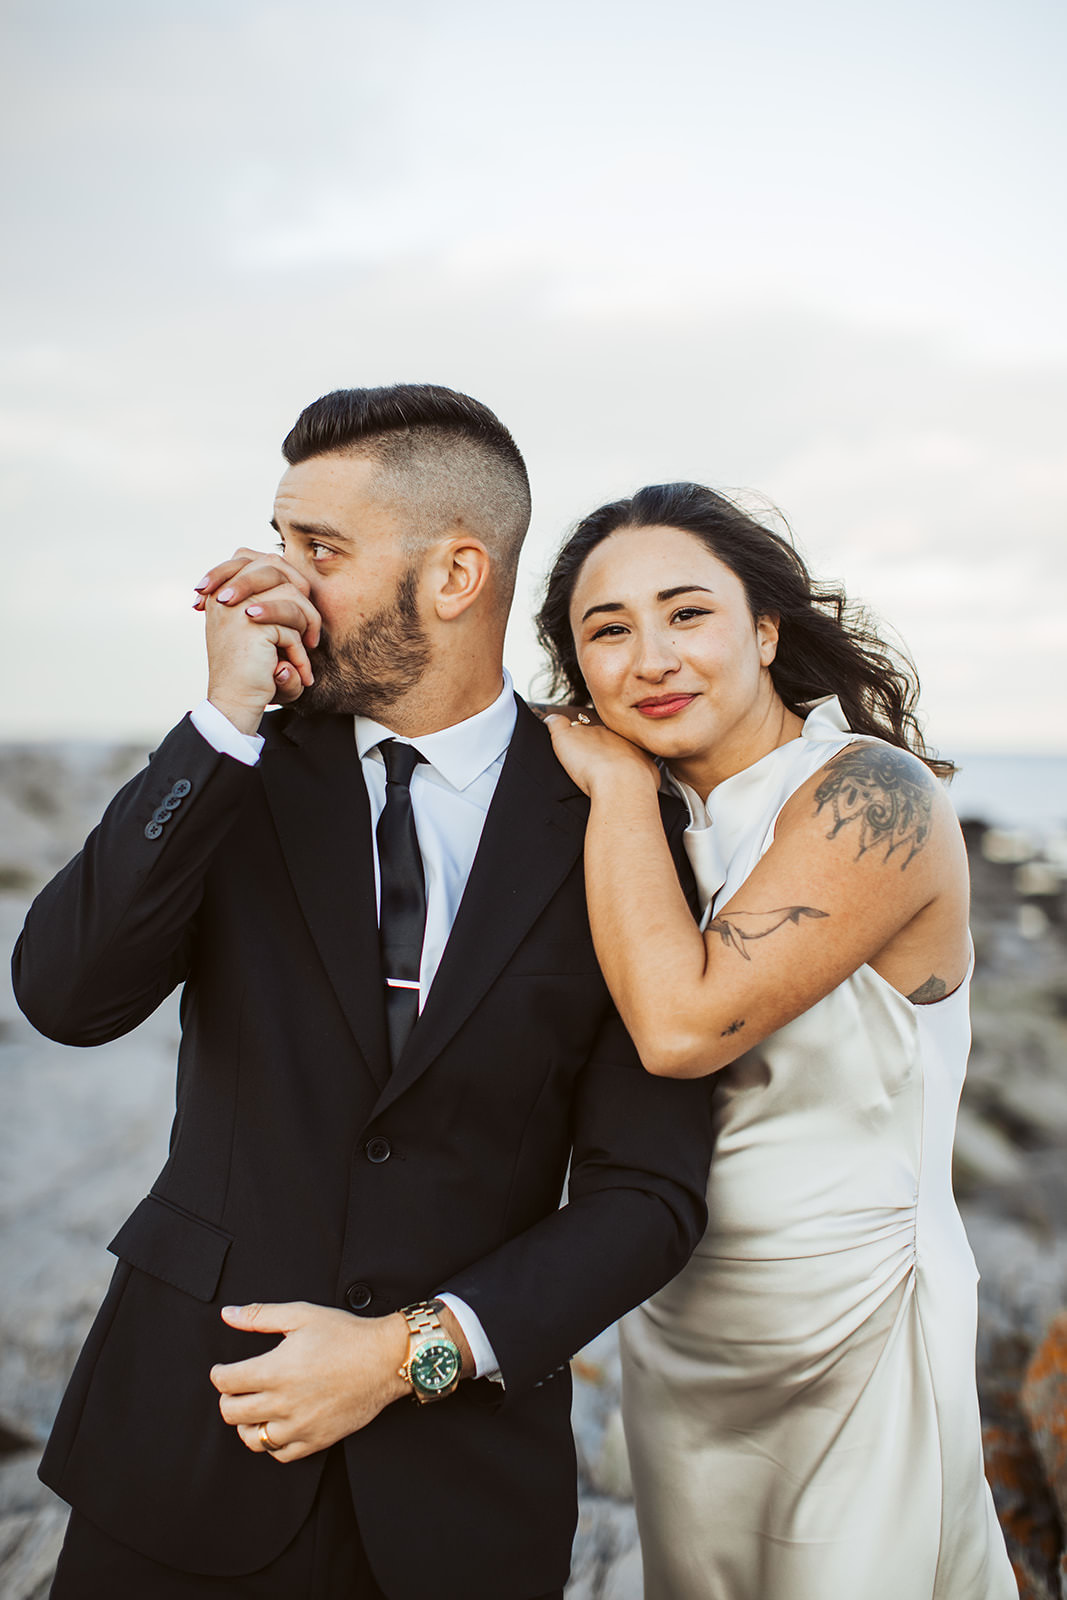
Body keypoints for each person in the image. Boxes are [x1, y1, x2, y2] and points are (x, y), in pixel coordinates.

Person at [12, 390, 715, 1600]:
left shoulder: (616, 818)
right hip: (188, 1450)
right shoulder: (233, 765)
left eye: (318, 552)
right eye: (278, 538)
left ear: (454, 575)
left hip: (459, 1503)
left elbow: (645, 1194)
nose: (272, 585)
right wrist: (225, 715)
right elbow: (67, 994)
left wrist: (405, 1357)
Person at [538, 481, 1017, 1600]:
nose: (649, 656)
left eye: (685, 612)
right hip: (680, 1327)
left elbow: (680, 1023)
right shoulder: (641, 827)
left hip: (853, 1329)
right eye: (606, 630)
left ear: (762, 628)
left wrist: (609, 781)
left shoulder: (872, 794)